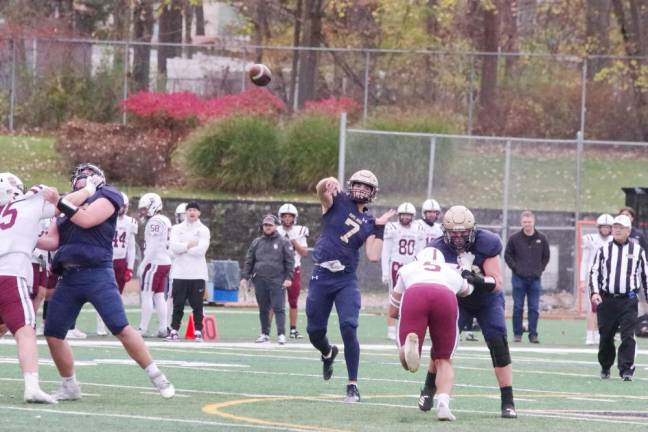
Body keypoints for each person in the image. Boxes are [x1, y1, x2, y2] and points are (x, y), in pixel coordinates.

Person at [37, 163, 175, 401]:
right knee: (53, 332)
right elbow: (51, 241)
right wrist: (21, 233)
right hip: (69, 276)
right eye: (78, 176)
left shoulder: (108, 194)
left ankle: (157, 375)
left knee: (119, 326)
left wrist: (59, 202)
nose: (81, 180)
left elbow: (88, 219)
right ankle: (70, 385)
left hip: (97, 273)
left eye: (86, 176)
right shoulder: (68, 204)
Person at [306, 170, 395, 403]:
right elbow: (321, 192)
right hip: (322, 274)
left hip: (345, 279)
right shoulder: (338, 201)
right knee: (314, 331)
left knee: (349, 325)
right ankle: (327, 352)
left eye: (366, 187)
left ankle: (352, 385)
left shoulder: (369, 221)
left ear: (372, 193)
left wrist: (380, 227)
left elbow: (373, 255)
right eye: (358, 185)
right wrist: (327, 181)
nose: (361, 190)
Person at [430, 205, 517, 418]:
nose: (458, 238)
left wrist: (476, 279)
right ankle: (427, 388)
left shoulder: (487, 242)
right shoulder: (437, 248)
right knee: (442, 344)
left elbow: (496, 283)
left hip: (487, 300)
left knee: (498, 342)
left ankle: (508, 400)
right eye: (454, 233)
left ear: (472, 230)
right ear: (446, 232)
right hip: (458, 300)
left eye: (463, 233)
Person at [388, 247, 482, 421]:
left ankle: (408, 348)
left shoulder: (408, 268)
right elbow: (468, 290)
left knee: (406, 355)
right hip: (445, 296)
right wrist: (467, 271)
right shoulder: (450, 272)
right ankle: (443, 405)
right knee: (444, 359)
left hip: (416, 293)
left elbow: (393, 311)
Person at [0, 173, 58, 404]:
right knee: (25, 330)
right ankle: (32, 386)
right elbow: (60, 205)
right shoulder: (25, 205)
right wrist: (90, 189)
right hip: (11, 274)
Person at [589, 214, 648, 381]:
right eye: (615, 227)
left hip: (628, 300)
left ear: (628, 231)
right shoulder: (603, 250)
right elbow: (594, 272)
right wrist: (594, 292)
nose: (616, 230)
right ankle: (606, 365)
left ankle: (626, 369)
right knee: (606, 336)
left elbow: (645, 275)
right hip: (607, 299)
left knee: (628, 335)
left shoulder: (638, 251)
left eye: (620, 228)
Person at [241, 214, 294, 344]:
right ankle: (265, 333)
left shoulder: (283, 242)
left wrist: (288, 278)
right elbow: (249, 260)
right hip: (260, 279)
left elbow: (290, 262)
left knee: (278, 307)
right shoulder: (257, 242)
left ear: (275, 226)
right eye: (265, 225)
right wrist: (244, 277)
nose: (267, 227)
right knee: (263, 308)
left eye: (270, 225)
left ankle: (281, 334)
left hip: (277, 279)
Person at [504, 210, 550, 344]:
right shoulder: (514, 238)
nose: (527, 224)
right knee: (518, 307)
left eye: (529, 222)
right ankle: (517, 334)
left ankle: (533, 334)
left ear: (534, 222)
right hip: (518, 279)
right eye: (525, 222)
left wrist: (539, 269)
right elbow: (507, 255)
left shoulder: (542, 238)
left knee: (534, 308)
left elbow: (546, 256)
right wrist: (516, 269)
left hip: (535, 279)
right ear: (521, 222)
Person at [167, 201, 210, 342]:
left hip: (197, 273)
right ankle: (174, 330)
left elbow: (200, 251)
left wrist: (183, 248)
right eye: (189, 210)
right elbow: (174, 248)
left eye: (195, 210)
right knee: (178, 304)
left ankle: (198, 331)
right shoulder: (176, 229)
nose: (192, 212)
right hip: (180, 273)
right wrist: (188, 245)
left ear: (199, 213)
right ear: (185, 212)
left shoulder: (203, 230)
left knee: (197, 305)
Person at [381, 202, 425, 340]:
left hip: (411, 266)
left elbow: (421, 251)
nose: (405, 217)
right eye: (403, 214)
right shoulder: (392, 227)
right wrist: (385, 271)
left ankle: (409, 327)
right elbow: (386, 251)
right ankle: (391, 327)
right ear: (398, 215)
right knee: (393, 297)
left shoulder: (418, 228)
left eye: (408, 215)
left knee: (412, 298)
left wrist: (420, 267)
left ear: (413, 216)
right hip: (396, 266)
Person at [97, 192, 138, 336]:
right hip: (106, 259)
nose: (121, 208)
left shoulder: (130, 222)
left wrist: (130, 268)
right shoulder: (105, 219)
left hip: (121, 261)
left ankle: (114, 325)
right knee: (102, 293)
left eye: (124, 206)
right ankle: (100, 325)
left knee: (116, 295)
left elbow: (131, 247)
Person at [137, 192, 171, 338]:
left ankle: (143, 328)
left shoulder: (155, 221)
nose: (143, 212)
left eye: (145, 208)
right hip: (165, 262)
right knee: (158, 296)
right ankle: (163, 327)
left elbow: (154, 245)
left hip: (155, 262)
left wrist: (143, 264)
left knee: (147, 295)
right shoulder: (164, 219)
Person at [276, 203, 309, 339]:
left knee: (293, 300)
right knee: (274, 301)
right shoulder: (275, 230)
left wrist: (294, 241)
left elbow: (304, 252)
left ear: (295, 218)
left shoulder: (300, 231)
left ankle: (293, 329)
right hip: (277, 270)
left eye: (290, 216)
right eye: (285, 216)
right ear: (280, 217)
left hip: (294, 269)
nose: (287, 219)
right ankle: (266, 331)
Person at [580, 213, 613, 345]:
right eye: (603, 227)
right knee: (592, 307)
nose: (605, 229)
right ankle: (589, 334)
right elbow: (584, 261)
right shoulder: (590, 239)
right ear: (598, 227)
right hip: (593, 277)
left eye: (607, 227)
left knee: (605, 308)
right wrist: (582, 280)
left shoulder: (614, 240)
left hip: (608, 279)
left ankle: (601, 334)